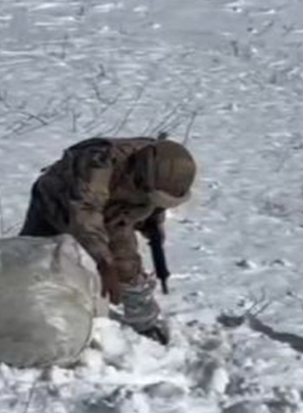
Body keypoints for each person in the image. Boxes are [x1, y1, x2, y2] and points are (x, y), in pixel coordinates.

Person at [19, 136, 196, 344]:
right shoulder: (98, 166)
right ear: (142, 176)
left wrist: (153, 227)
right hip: (57, 200)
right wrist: (104, 261)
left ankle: (144, 323)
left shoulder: (164, 167)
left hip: (117, 209)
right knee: (31, 259)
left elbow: (154, 203)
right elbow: (85, 214)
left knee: (126, 266)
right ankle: (19, 311)